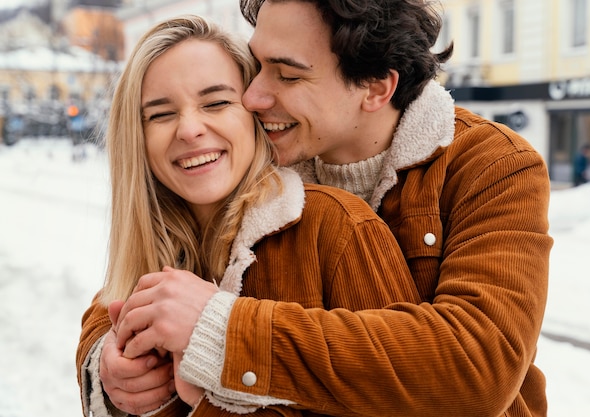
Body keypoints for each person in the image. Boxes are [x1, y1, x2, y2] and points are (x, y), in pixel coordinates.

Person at [85, 1, 554, 416]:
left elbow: (476, 366)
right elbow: (147, 252)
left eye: (287, 74)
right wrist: (104, 358)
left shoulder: (493, 166)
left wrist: (224, 332)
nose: (252, 96)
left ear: (375, 88)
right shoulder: (259, 151)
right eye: (257, 65)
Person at [75, 14, 422, 417]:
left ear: (257, 113)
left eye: (217, 102)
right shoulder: (147, 254)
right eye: (161, 113)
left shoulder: (337, 227)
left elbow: (409, 397)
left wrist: (214, 396)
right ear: (137, 137)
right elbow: (104, 312)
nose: (189, 130)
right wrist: (110, 377)